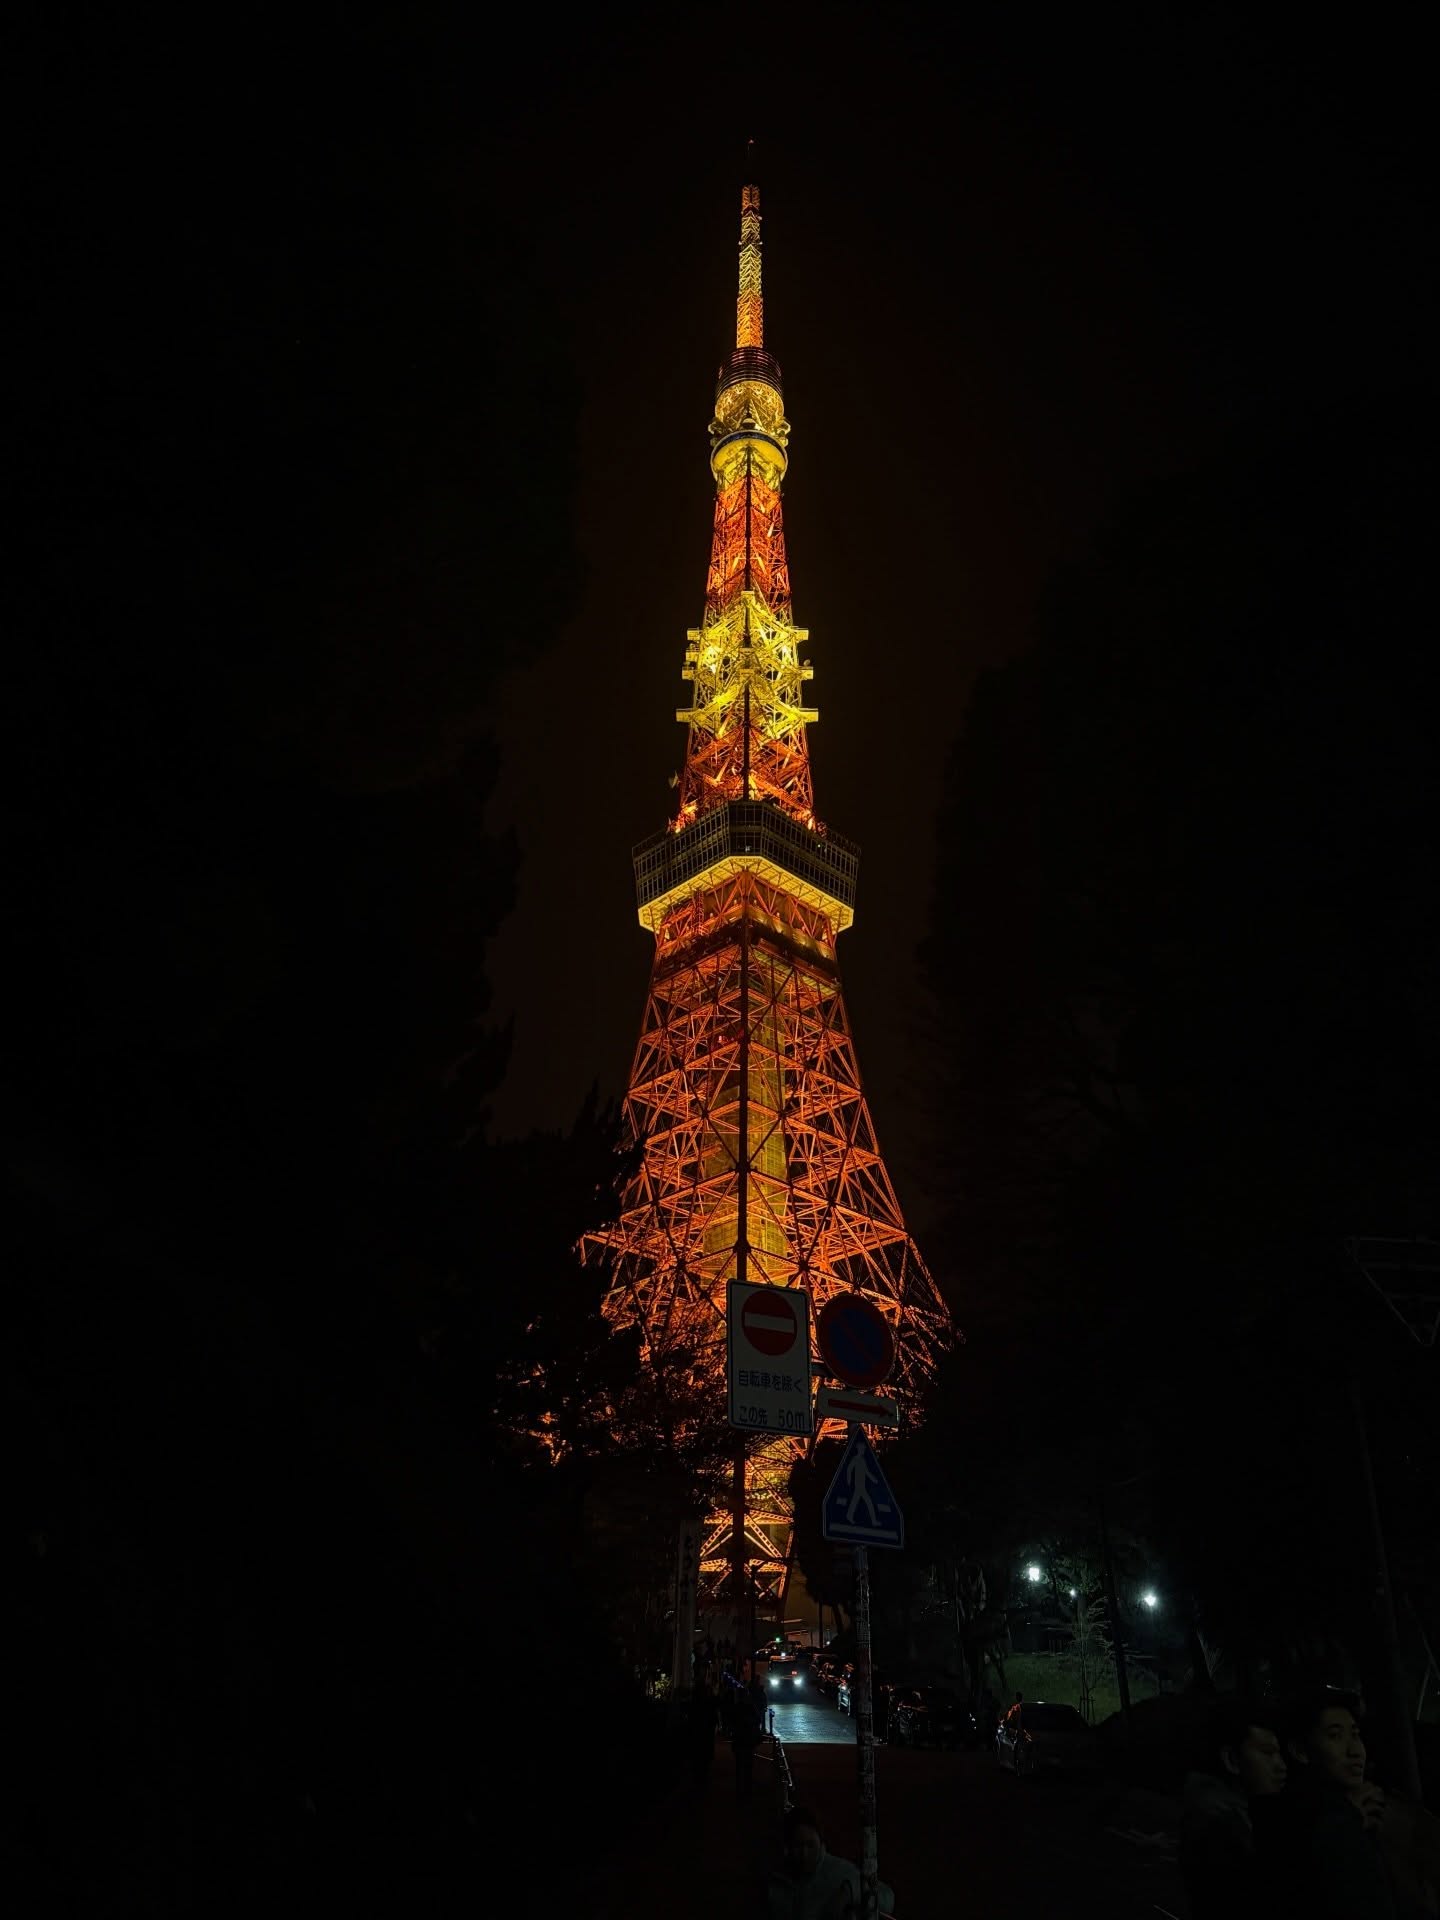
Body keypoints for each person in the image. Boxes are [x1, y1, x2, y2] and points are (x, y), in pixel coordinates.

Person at [1252, 1685, 1399, 1918]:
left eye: (1355, 1734)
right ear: (1300, 1751)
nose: (1355, 1750)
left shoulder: (1355, 1811)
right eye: (1335, 1736)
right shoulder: (1312, 1824)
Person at [1178, 1694, 1288, 1918]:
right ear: (1231, 1759)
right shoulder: (1221, 1829)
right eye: (1267, 1753)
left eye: (1279, 1754)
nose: (1281, 1766)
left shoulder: (1217, 1812)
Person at [766, 1805, 895, 1919]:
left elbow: (887, 1897)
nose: (804, 1854)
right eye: (798, 1846)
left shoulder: (838, 1872)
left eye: (811, 1845)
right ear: (788, 1846)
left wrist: (850, 1891)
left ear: (820, 1843)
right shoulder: (777, 1880)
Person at [730, 1673, 765, 1801]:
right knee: (747, 1765)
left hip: (740, 1740)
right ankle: (746, 1788)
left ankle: (740, 1789)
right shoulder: (750, 1707)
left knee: (740, 1766)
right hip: (747, 1740)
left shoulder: (737, 1708)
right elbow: (757, 1719)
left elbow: (732, 1722)